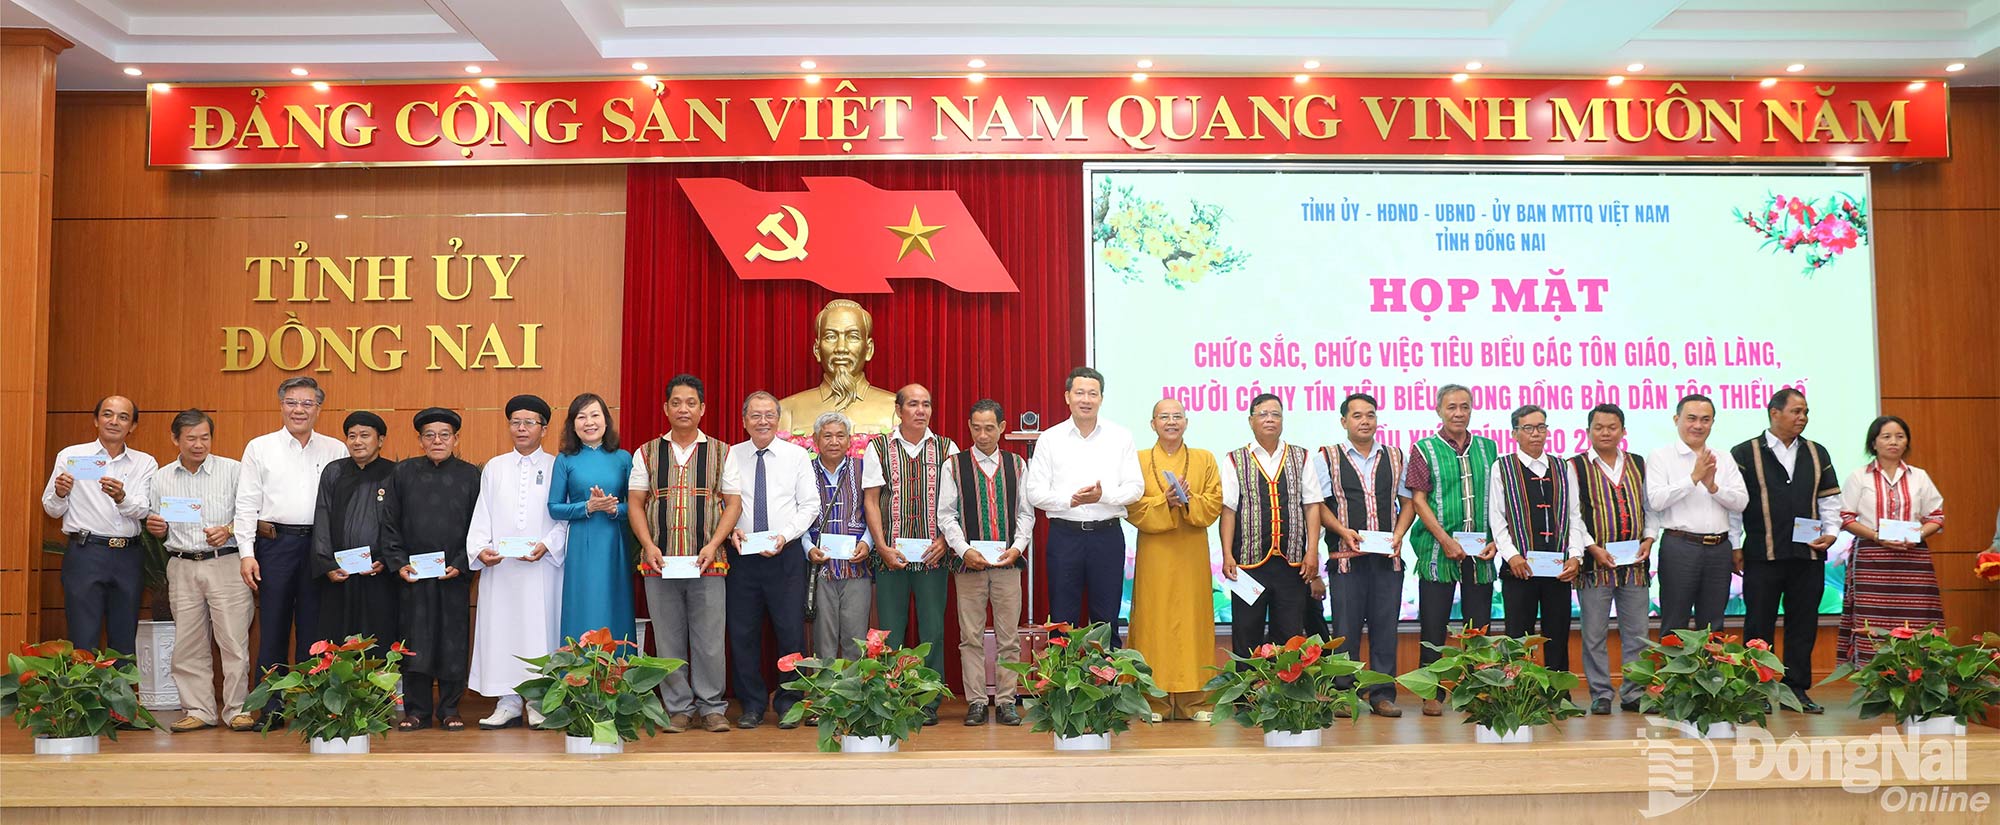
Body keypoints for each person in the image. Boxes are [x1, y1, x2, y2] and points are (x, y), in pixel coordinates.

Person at [629, 375, 738, 734]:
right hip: (659, 562)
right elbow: (635, 503)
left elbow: (733, 504)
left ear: (702, 408)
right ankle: (677, 707)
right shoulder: (645, 452)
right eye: (676, 403)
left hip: (707, 560)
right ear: (665, 408)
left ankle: (712, 707)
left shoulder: (723, 452)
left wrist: (713, 544)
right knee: (668, 637)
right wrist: (648, 545)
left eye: (691, 403)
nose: (683, 409)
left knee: (709, 639)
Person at [234, 376, 345, 722]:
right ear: (281, 405)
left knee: (315, 633)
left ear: (319, 408)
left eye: (307, 403)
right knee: (273, 630)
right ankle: (270, 708)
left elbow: (344, 508)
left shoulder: (335, 449)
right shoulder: (259, 447)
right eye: (292, 402)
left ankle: (312, 707)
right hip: (274, 546)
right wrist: (246, 553)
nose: (299, 409)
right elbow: (246, 504)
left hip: (319, 547)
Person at [1730, 389, 1840, 714]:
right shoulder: (1744, 452)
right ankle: (1756, 690)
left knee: (1803, 624)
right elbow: (1734, 508)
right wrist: (1735, 545)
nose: (1802, 418)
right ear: (1774, 413)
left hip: (1808, 555)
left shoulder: (1817, 452)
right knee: (1758, 625)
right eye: (1796, 411)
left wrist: (1831, 533)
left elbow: (1830, 501)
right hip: (1762, 554)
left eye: (1805, 412)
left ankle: (1796, 691)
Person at [144, 409, 251, 732]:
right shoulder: (161, 478)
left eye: (204, 437)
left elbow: (250, 514)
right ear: (175, 439)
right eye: (190, 438)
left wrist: (229, 529)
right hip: (181, 565)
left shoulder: (233, 470)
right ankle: (199, 709)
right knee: (188, 643)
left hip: (226, 563)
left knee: (233, 642)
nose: (198, 444)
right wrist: (156, 528)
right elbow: (157, 526)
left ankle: (237, 710)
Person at [467, 395, 569, 730]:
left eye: (529, 422)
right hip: (503, 568)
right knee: (502, 631)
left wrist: (548, 545)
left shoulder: (557, 466)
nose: (521, 428)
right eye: (515, 422)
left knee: (539, 632)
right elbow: (482, 513)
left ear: (544, 428)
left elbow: (564, 518)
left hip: (541, 568)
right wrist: (481, 548)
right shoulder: (495, 467)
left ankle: (540, 701)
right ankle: (507, 702)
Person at [1023, 367, 1144, 644]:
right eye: (1079, 393)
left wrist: (1103, 496)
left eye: (1093, 393)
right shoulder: (1050, 439)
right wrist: (1070, 500)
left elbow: (1135, 488)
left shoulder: (1120, 436)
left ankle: (1108, 686)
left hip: (1107, 536)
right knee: (1063, 621)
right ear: (1067, 397)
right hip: (1065, 537)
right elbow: (1035, 492)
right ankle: (1062, 685)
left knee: (1106, 619)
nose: (1086, 399)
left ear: (1101, 398)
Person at [863, 383, 960, 725]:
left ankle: (929, 701)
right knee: (891, 630)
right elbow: (872, 501)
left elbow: (955, 504)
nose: (921, 411)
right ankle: (891, 699)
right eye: (914, 405)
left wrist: (947, 542)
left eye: (926, 405)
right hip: (892, 556)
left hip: (934, 555)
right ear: (899, 409)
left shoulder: (948, 448)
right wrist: (881, 546)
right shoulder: (878, 448)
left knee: (933, 629)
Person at [722, 391, 819, 729]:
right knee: (742, 632)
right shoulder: (730, 456)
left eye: (769, 415)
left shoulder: (796, 456)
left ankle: (790, 701)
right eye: (755, 415)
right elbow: (722, 504)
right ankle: (751, 704)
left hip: (786, 554)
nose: (762, 421)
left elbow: (810, 505)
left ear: (778, 420)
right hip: (742, 555)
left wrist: (784, 536)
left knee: (790, 631)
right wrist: (730, 529)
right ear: (744, 419)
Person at [940, 399, 1036, 726]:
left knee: (1009, 637)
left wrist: (1018, 546)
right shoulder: (953, 465)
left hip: (1008, 564)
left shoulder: (1018, 465)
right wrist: (964, 549)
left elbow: (1026, 513)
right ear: (969, 427)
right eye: (977, 428)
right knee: (970, 637)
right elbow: (946, 516)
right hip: (969, 566)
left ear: (1003, 427)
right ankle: (977, 702)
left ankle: (1008, 700)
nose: (983, 435)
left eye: (990, 428)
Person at [1404, 384, 1499, 716]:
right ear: (1438, 410)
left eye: (1465, 407)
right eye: (1451, 407)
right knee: (1434, 626)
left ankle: (1479, 691)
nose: (1458, 413)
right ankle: (1433, 693)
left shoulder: (1489, 448)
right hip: (1436, 552)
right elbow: (1417, 500)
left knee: (1479, 627)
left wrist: (1496, 540)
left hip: (1481, 553)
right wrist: (1445, 539)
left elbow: (1499, 501)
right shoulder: (1423, 449)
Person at [1126, 398, 1223, 722]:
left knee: (1193, 622)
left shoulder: (1204, 459)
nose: (1171, 421)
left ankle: (1195, 701)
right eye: (1164, 416)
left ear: (1186, 421)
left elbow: (1214, 502)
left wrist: (1187, 500)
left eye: (1177, 416)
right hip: (1156, 551)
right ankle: (1152, 702)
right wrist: (1163, 502)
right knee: (1153, 622)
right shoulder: (1137, 460)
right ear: (1152, 423)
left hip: (1191, 550)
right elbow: (1131, 505)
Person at [1317, 393, 1411, 718]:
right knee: (1345, 629)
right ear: (1344, 421)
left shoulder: (1397, 456)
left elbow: (1409, 502)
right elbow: (1319, 506)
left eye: (1370, 415)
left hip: (1388, 559)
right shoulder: (1327, 457)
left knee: (1386, 629)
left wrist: (1399, 534)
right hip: (1347, 559)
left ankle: (1382, 695)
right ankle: (1344, 695)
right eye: (1357, 416)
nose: (1365, 421)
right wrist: (1343, 531)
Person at [42, 395, 156, 655]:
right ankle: (85, 696)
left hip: (128, 556)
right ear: (96, 420)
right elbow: (51, 508)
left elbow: (143, 509)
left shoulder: (145, 462)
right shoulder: (71, 455)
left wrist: (121, 497)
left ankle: (122, 695)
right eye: (107, 414)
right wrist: (60, 492)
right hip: (86, 553)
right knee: (83, 638)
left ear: (133, 426)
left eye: (123, 417)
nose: (114, 421)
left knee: (124, 639)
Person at [391, 408, 481, 731]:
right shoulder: (402, 473)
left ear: (456, 439)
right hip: (413, 577)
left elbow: (478, 526)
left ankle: (450, 709)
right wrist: (399, 563)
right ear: (420, 441)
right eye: (429, 435)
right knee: (415, 642)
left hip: (453, 575)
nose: (437, 440)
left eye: (444, 434)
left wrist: (461, 563)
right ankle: (416, 711)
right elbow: (390, 524)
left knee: (452, 642)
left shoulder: (470, 475)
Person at [1219, 394, 1325, 657]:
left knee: (1289, 636)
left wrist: (1312, 552)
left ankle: (1284, 698)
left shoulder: (1300, 456)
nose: (1270, 419)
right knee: (1246, 634)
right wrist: (1227, 554)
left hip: (1292, 565)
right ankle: (1247, 699)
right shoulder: (1235, 459)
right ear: (1251, 420)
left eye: (1275, 414)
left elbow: (1312, 505)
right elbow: (1228, 510)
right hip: (1248, 563)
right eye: (1263, 413)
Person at [1836, 416, 1945, 665]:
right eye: (1886, 437)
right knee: (1873, 621)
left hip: (1913, 558)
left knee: (1917, 618)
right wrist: (1877, 536)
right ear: (1873, 443)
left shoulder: (1919, 476)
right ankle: (1874, 675)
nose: (1893, 442)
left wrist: (1916, 535)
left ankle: (1918, 674)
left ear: (1907, 442)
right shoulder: (1858, 477)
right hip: (1872, 558)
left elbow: (1936, 517)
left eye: (1900, 436)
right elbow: (1845, 517)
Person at [1568, 404, 1655, 714]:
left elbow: (1651, 509)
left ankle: (1634, 693)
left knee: (1638, 634)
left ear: (1623, 431)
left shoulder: (1639, 464)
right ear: (1588, 431)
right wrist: (1591, 548)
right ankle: (1601, 694)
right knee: (1593, 634)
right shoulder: (1574, 466)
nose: (1605, 432)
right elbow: (1573, 516)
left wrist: (1649, 538)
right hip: (1594, 566)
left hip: (1634, 565)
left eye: (1612, 427)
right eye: (1599, 427)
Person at [1488, 405, 1585, 683]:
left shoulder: (1562, 466)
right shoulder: (1502, 467)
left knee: (1557, 634)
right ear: (1515, 433)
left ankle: (1558, 695)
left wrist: (1576, 556)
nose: (1536, 434)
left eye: (1541, 427)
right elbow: (1498, 518)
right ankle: (1519, 694)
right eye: (1528, 428)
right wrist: (1512, 556)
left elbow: (1574, 515)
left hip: (1558, 569)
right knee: (1519, 637)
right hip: (1519, 569)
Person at [1646, 394, 1748, 636]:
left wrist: (1713, 487)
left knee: (1713, 626)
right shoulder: (1661, 456)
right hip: (1680, 546)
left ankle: (1712, 674)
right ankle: (1674, 675)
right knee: (1674, 624)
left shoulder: (1723, 458)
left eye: (1706, 419)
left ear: (1713, 423)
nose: (1698, 425)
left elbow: (1741, 502)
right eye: (1691, 418)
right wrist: (1693, 478)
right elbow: (1656, 501)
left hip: (1719, 549)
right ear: (1676, 419)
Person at [309, 411, 400, 657]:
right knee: (336, 638)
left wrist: (384, 558)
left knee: (379, 635)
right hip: (339, 575)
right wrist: (326, 563)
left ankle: (380, 694)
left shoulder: (395, 473)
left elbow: (399, 524)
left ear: (380, 440)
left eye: (364, 435)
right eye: (352, 436)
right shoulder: (334, 472)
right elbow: (322, 516)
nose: (357, 441)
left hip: (378, 574)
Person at [549, 392, 634, 643]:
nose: (589, 422)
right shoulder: (565, 460)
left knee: (613, 603)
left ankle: (618, 677)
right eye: (581, 416)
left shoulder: (623, 458)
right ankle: (577, 676)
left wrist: (613, 509)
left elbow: (638, 507)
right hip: (581, 545)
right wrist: (587, 506)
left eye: (595, 415)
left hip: (614, 543)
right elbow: (554, 507)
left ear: (606, 421)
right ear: (573, 425)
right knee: (583, 603)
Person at [804, 411, 875, 665]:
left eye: (840, 436)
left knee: (855, 640)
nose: (834, 441)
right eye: (827, 436)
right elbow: (796, 515)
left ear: (849, 440)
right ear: (815, 439)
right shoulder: (804, 471)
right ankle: (824, 699)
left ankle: (852, 700)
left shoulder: (863, 469)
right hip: (820, 568)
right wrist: (808, 548)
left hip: (857, 567)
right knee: (823, 640)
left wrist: (868, 542)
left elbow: (874, 512)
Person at [776, 299, 899, 436]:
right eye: (831, 337)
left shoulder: (896, 411)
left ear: (869, 349)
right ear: (817, 350)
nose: (841, 348)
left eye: (852, 337)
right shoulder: (786, 412)